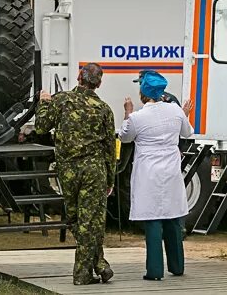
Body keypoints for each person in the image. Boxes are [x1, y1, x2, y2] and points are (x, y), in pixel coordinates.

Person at [35, 63, 116, 285]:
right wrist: (111, 178)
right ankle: (96, 265)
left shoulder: (61, 100)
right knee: (90, 221)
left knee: (76, 219)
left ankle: (87, 270)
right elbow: (110, 148)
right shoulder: (104, 109)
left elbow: (41, 127)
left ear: (80, 77)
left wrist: (43, 102)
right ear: (98, 83)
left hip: (68, 170)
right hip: (94, 170)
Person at [119, 71, 194, 280]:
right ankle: (177, 266)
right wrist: (184, 114)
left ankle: (154, 271)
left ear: (143, 92)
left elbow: (126, 138)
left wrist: (127, 112)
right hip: (170, 170)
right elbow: (187, 133)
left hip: (148, 172)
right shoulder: (175, 111)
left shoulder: (137, 117)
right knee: (172, 217)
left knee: (152, 219)